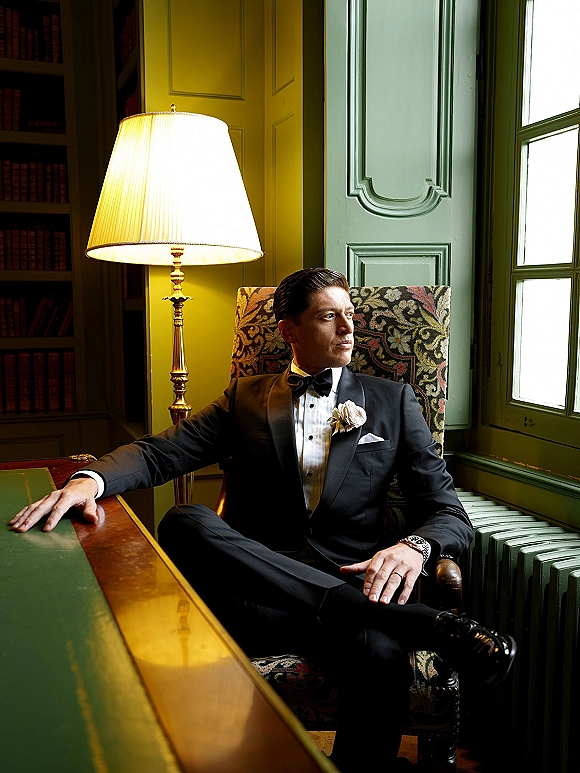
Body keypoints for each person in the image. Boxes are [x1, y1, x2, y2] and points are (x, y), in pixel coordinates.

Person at [10, 268, 515, 772]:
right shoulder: (243, 399)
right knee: (185, 520)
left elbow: (449, 513)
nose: (348, 328)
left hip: (356, 594)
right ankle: (426, 626)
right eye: (327, 316)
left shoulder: (392, 403)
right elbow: (157, 455)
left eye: (349, 315)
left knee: (381, 659)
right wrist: (87, 481)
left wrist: (415, 548)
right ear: (289, 330)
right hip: (255, 599)